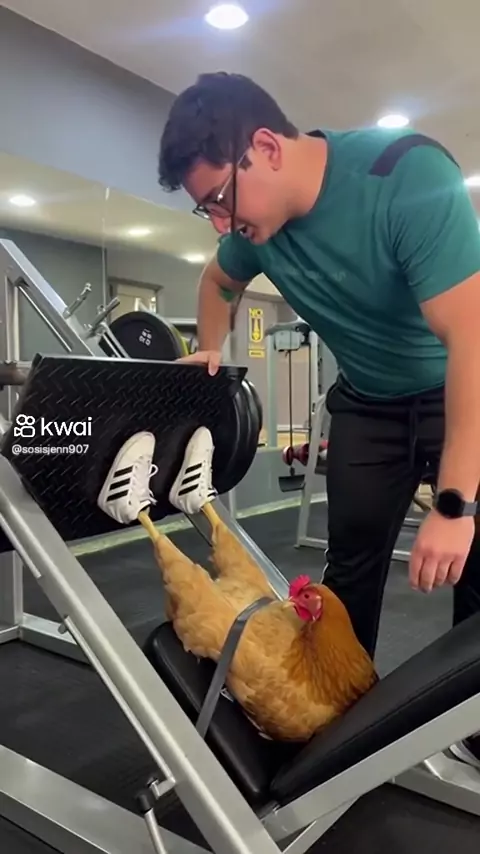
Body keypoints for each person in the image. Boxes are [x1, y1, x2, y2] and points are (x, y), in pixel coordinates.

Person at [157, 72, 480, 764]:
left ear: (267, 148)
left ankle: (475, 730)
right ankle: (341, 732)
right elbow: (218, 280)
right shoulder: (257, 230)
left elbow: (472, 344)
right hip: (367, 404)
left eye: (219, 200)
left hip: (457, 387)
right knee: (348, 572)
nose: (220, 224)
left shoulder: (407, 177)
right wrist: (210, 347)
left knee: (477, 557)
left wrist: (455, 504)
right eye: (204, 210)